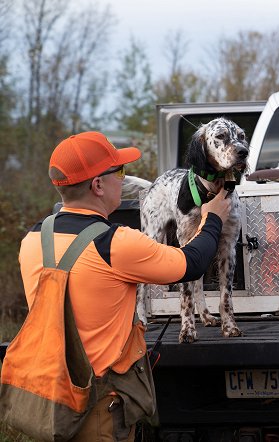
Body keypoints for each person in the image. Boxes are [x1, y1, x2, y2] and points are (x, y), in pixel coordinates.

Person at [18, 131, 232, 441]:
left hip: (51, 399)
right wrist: (212, 219)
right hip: (98, 407)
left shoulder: (32, 240)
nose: (124, 178)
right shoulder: (117, 243)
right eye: (118, 172)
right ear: (98, 185)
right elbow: (191, 264)